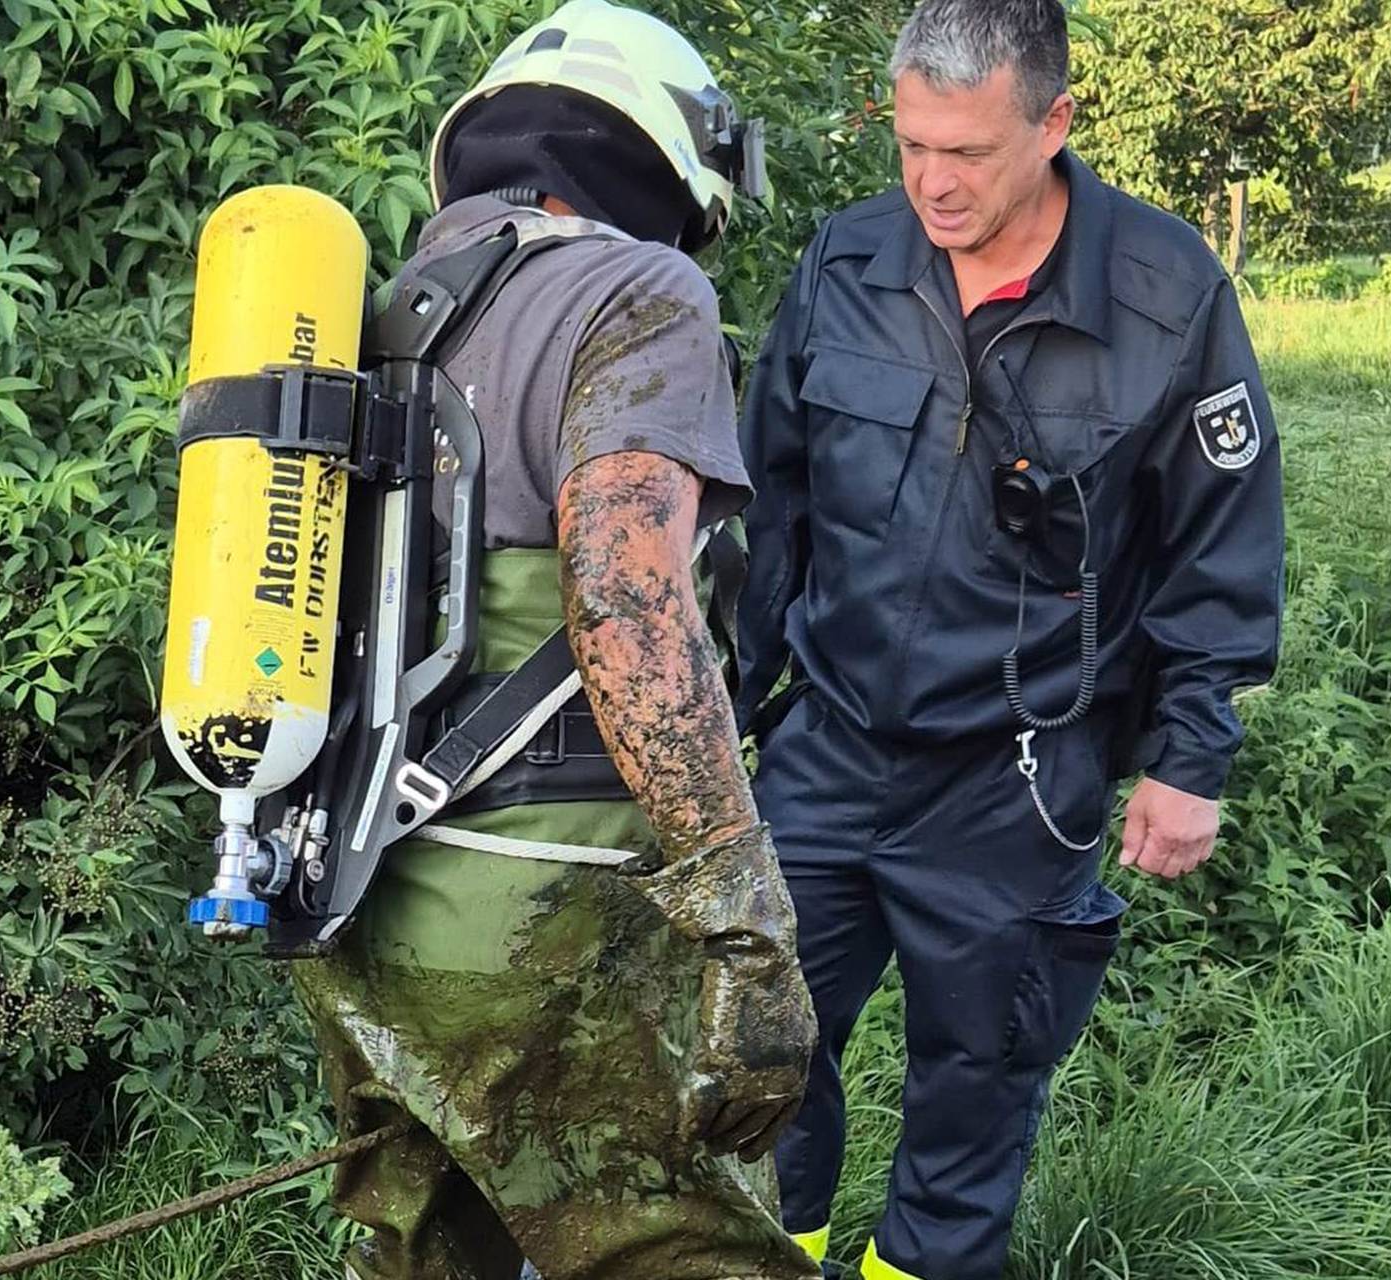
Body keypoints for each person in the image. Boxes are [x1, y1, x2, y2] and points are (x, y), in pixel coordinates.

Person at [732, 1, 1285, 1276]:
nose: (932, 181)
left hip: (1017, 778)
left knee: (976, 1085)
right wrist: (728, 711)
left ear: (1055, 122)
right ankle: (770, 1251)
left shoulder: (1165, 295)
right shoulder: (850, 259)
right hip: (828, 746)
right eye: (912, 143)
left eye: (968, 152)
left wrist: (1189, 756)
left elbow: (1223, 540)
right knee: (761, 1049)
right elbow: (774, 501)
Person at [285, 3, 818, 1276]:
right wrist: (744, 923)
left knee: (433, 1260)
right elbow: (631, 604)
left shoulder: (383, 313)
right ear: (669, 163)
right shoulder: (640, 289)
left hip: (357, 913)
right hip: (546, 919)